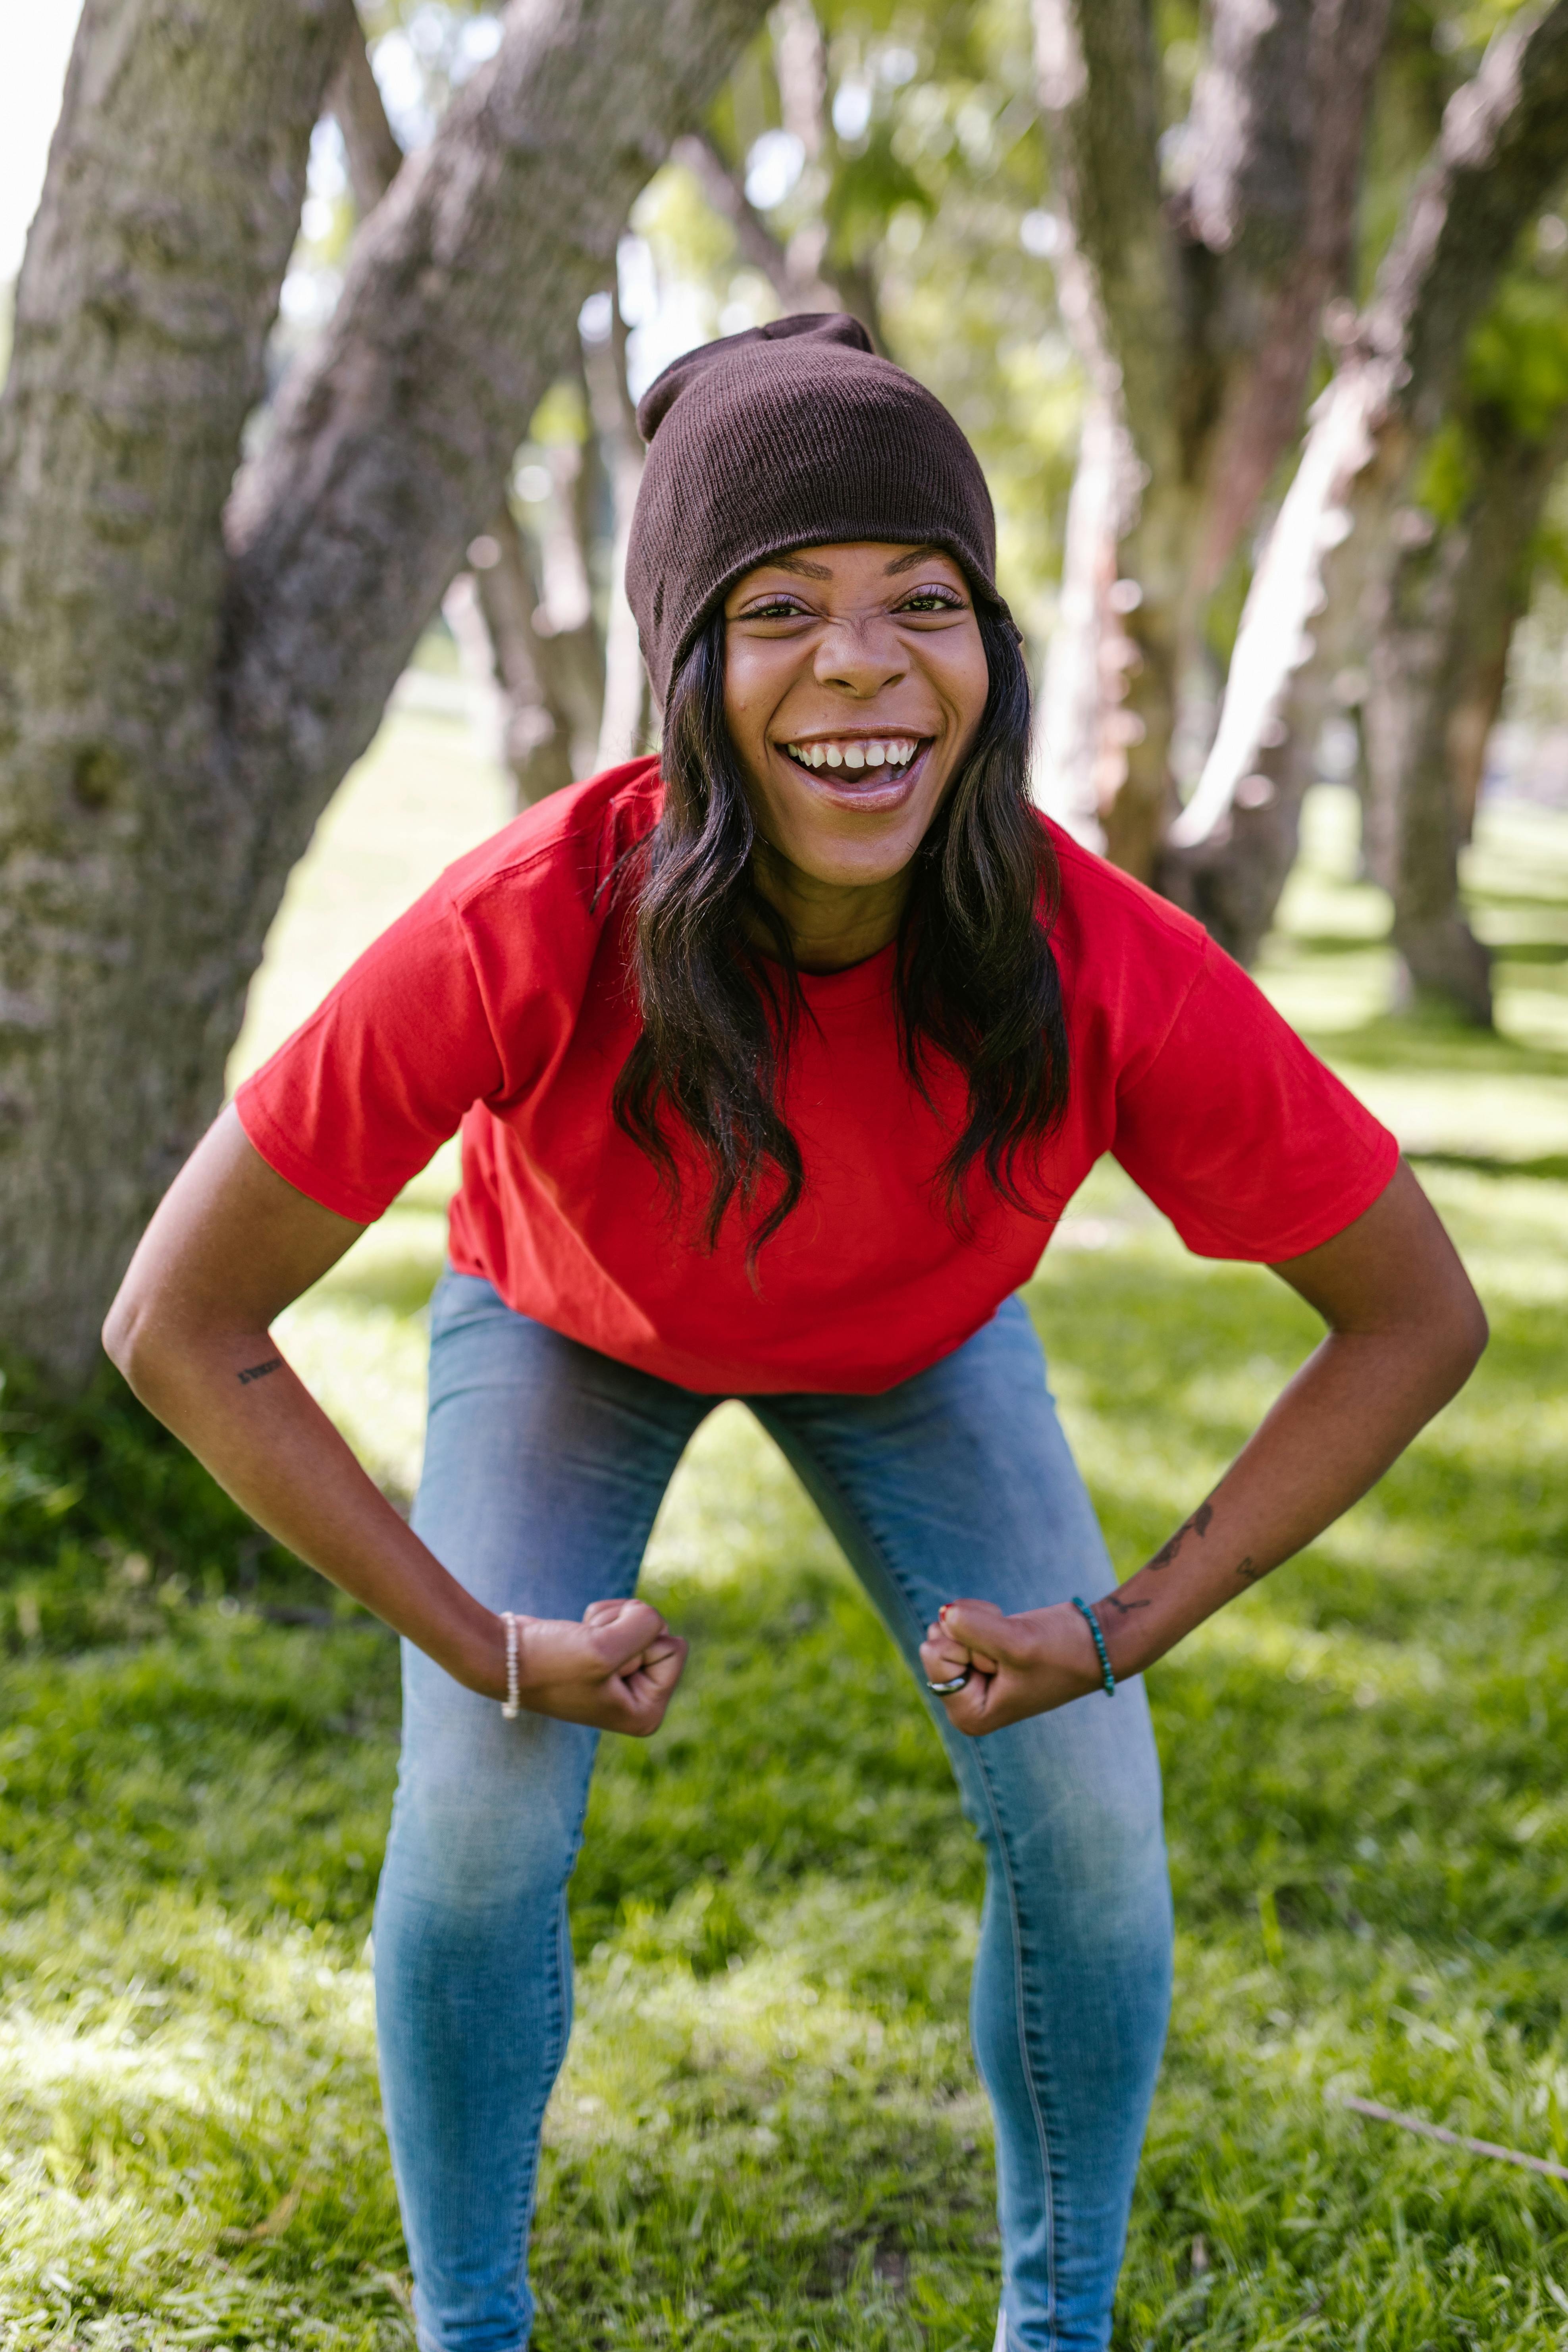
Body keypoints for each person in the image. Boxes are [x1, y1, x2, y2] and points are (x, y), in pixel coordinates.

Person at [104, 315, 1486, 2352]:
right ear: (686, 677)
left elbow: (1412, 1319)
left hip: (921, 1346)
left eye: (924, 603)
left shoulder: (1097, 956)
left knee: (1097, 1822)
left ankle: (1061, 2329)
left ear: (991, 658)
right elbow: (178, 1318)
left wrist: (1117, 1632)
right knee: (482, 1808)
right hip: (566, 1318)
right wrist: (487, 1641)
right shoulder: (525, 919)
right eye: (781, 612)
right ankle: (466, 2331)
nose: (861, 665)